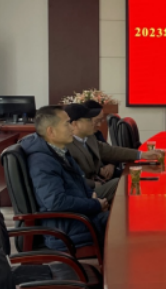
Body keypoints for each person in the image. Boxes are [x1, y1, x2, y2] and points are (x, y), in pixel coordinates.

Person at [21, 106, 109, 251]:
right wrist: (95, 204)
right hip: (66, 230)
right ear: (51, 131)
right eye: (67, 123)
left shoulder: (60, 151)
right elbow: (56, 202)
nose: (72, 128)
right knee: (126, 224)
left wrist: (92, 199)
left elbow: (80, 183)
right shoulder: (42, 161)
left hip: (79, 219)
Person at [64, 103, 161, 202]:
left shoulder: (89, 137)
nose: (93, 123)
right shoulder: (66, 146)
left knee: (130, 179)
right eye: (89, 120)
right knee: (124, 182)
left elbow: (112, 151)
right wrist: (93, 184)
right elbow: (70, 179)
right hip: (85, 192)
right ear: (75, 124)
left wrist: (142, 154)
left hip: (99, 183)